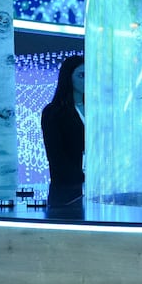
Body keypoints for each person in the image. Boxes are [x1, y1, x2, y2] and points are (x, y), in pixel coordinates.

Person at [39, 53, 85, 217]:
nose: (86, 81)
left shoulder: (97, 111)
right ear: (68, 78)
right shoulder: (53, 113)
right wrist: (82, 178)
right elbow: (56, 155)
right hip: (66, 192)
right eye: (81, 75)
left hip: (97, 190)